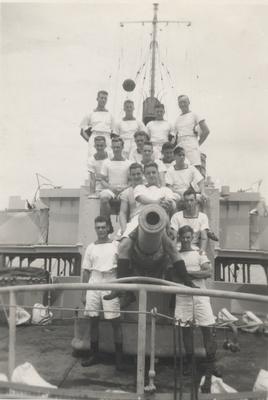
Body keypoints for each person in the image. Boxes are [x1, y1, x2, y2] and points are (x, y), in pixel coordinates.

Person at [174, 225, 217, 392]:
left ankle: (210, 365)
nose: (185, 240)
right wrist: (194, 273)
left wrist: (187, 274)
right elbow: (173, 276)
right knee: (185, 330)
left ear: (192, 237)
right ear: (179, 237)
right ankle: (189, 363)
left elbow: (208, 272)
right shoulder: (176, 255)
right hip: (182, 295)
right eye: (183, 237)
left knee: (207, 327)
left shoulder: (199, 252)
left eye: (188, 237)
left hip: (200, 295)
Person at [80, 216, 124, 370]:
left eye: (103, 227)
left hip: (111, 280)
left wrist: (117, 288)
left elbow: (122, 269)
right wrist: (84, 292)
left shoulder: (116, 245)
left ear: (108, 228)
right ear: (95, 228)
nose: (100, 230)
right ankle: (94, 355)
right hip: (94, 281)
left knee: (115, 322)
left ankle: (119, 359)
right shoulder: (91, 247)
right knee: (93, 320)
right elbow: (86, 271)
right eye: (97, 227)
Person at [99, 137, 131, 232]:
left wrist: (125, 188)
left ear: (122, 147)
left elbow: (131, 181)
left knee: (129, 198)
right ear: (111, 148)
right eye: (114, 147)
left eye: (118, 147)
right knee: (104, 197)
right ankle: (108, 224)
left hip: (124, 189)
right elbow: (102, 180)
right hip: (111, 189)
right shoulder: (106, 162)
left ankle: (127, 227)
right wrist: (111, 188)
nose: (116, 149)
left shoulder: (128, 163)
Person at [174, 95, 210, 171]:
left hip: (191, 145)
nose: (182, 104)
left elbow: (206, 131)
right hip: (180, 145)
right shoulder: (177, 119)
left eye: (184, 102)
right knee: (182, 170)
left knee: (194, 169)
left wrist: (198, 143)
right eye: (180, 103)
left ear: (189, 102)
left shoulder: (195, 115)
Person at [170, 188, 209, 254]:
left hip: (195, 249)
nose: (189, 203)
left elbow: (204, 238)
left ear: (196, 201)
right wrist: (174, 253)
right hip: (179, 249)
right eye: (186, 201)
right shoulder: (176, 216)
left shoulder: (203, 217)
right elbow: (174, 237)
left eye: (191, 200)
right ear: (184, 202)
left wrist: (202, 251)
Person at [80, 90, 115, 157]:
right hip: (94, 138)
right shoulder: (90, 114)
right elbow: (82, 132)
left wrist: (109, 141)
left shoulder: (110, 115)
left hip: (107, 138)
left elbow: (113, 132)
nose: (103, 100)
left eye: (105, 98)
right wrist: (90, 141)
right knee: (93, 159)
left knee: (107, 161)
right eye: (101, 98)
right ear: (97, 99)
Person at [119, 163, 144, 235]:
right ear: (130, 176)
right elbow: (122, 213)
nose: (136, 176)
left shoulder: (148, 188)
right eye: (133, 174)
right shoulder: (127, 192)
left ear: (142, 174)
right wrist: (124, 228)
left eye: (138, 174)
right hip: (134, 223)